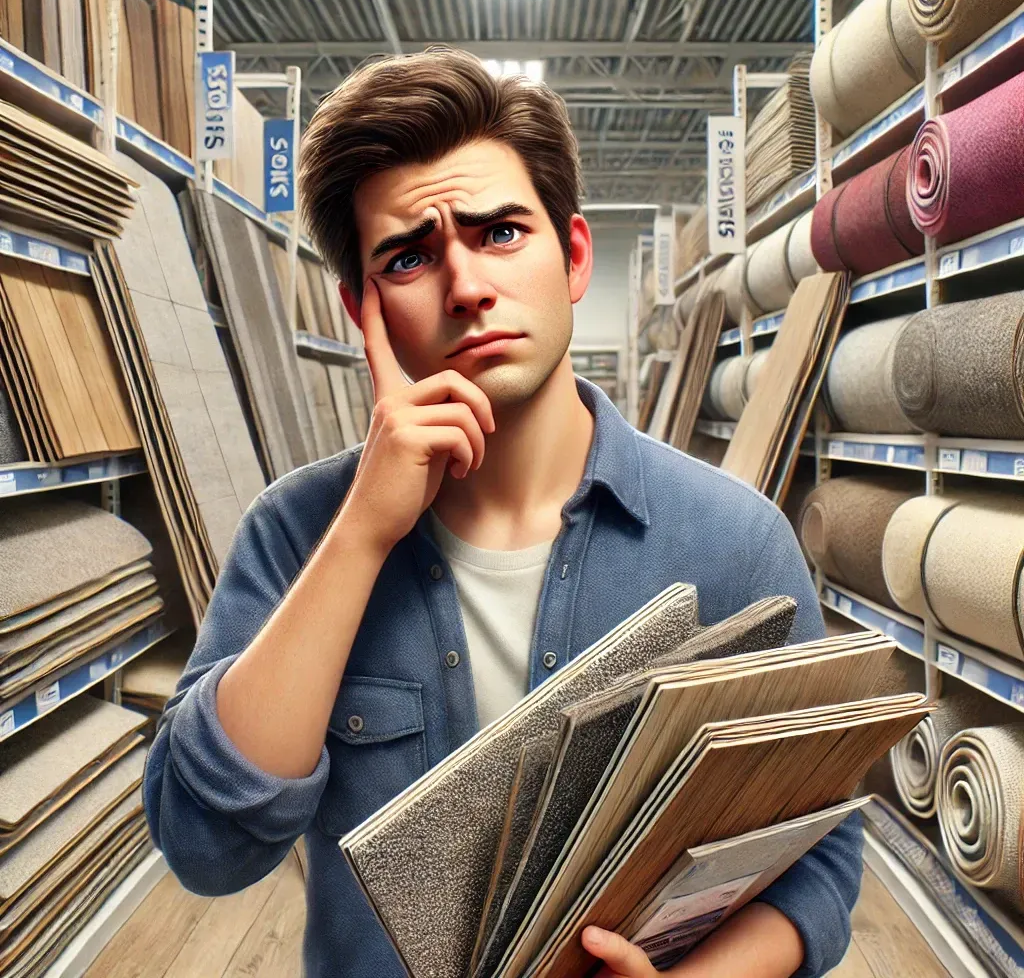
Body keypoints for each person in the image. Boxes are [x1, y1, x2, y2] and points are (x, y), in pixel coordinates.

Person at [143, 47, 861, 978]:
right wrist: (363, 534)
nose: (467, 285)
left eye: (499, 234)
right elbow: (205, 846)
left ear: (571, 257)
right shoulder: (298, 532)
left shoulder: (732, 542)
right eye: (408, 256)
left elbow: (821, 852)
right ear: (362, 309)